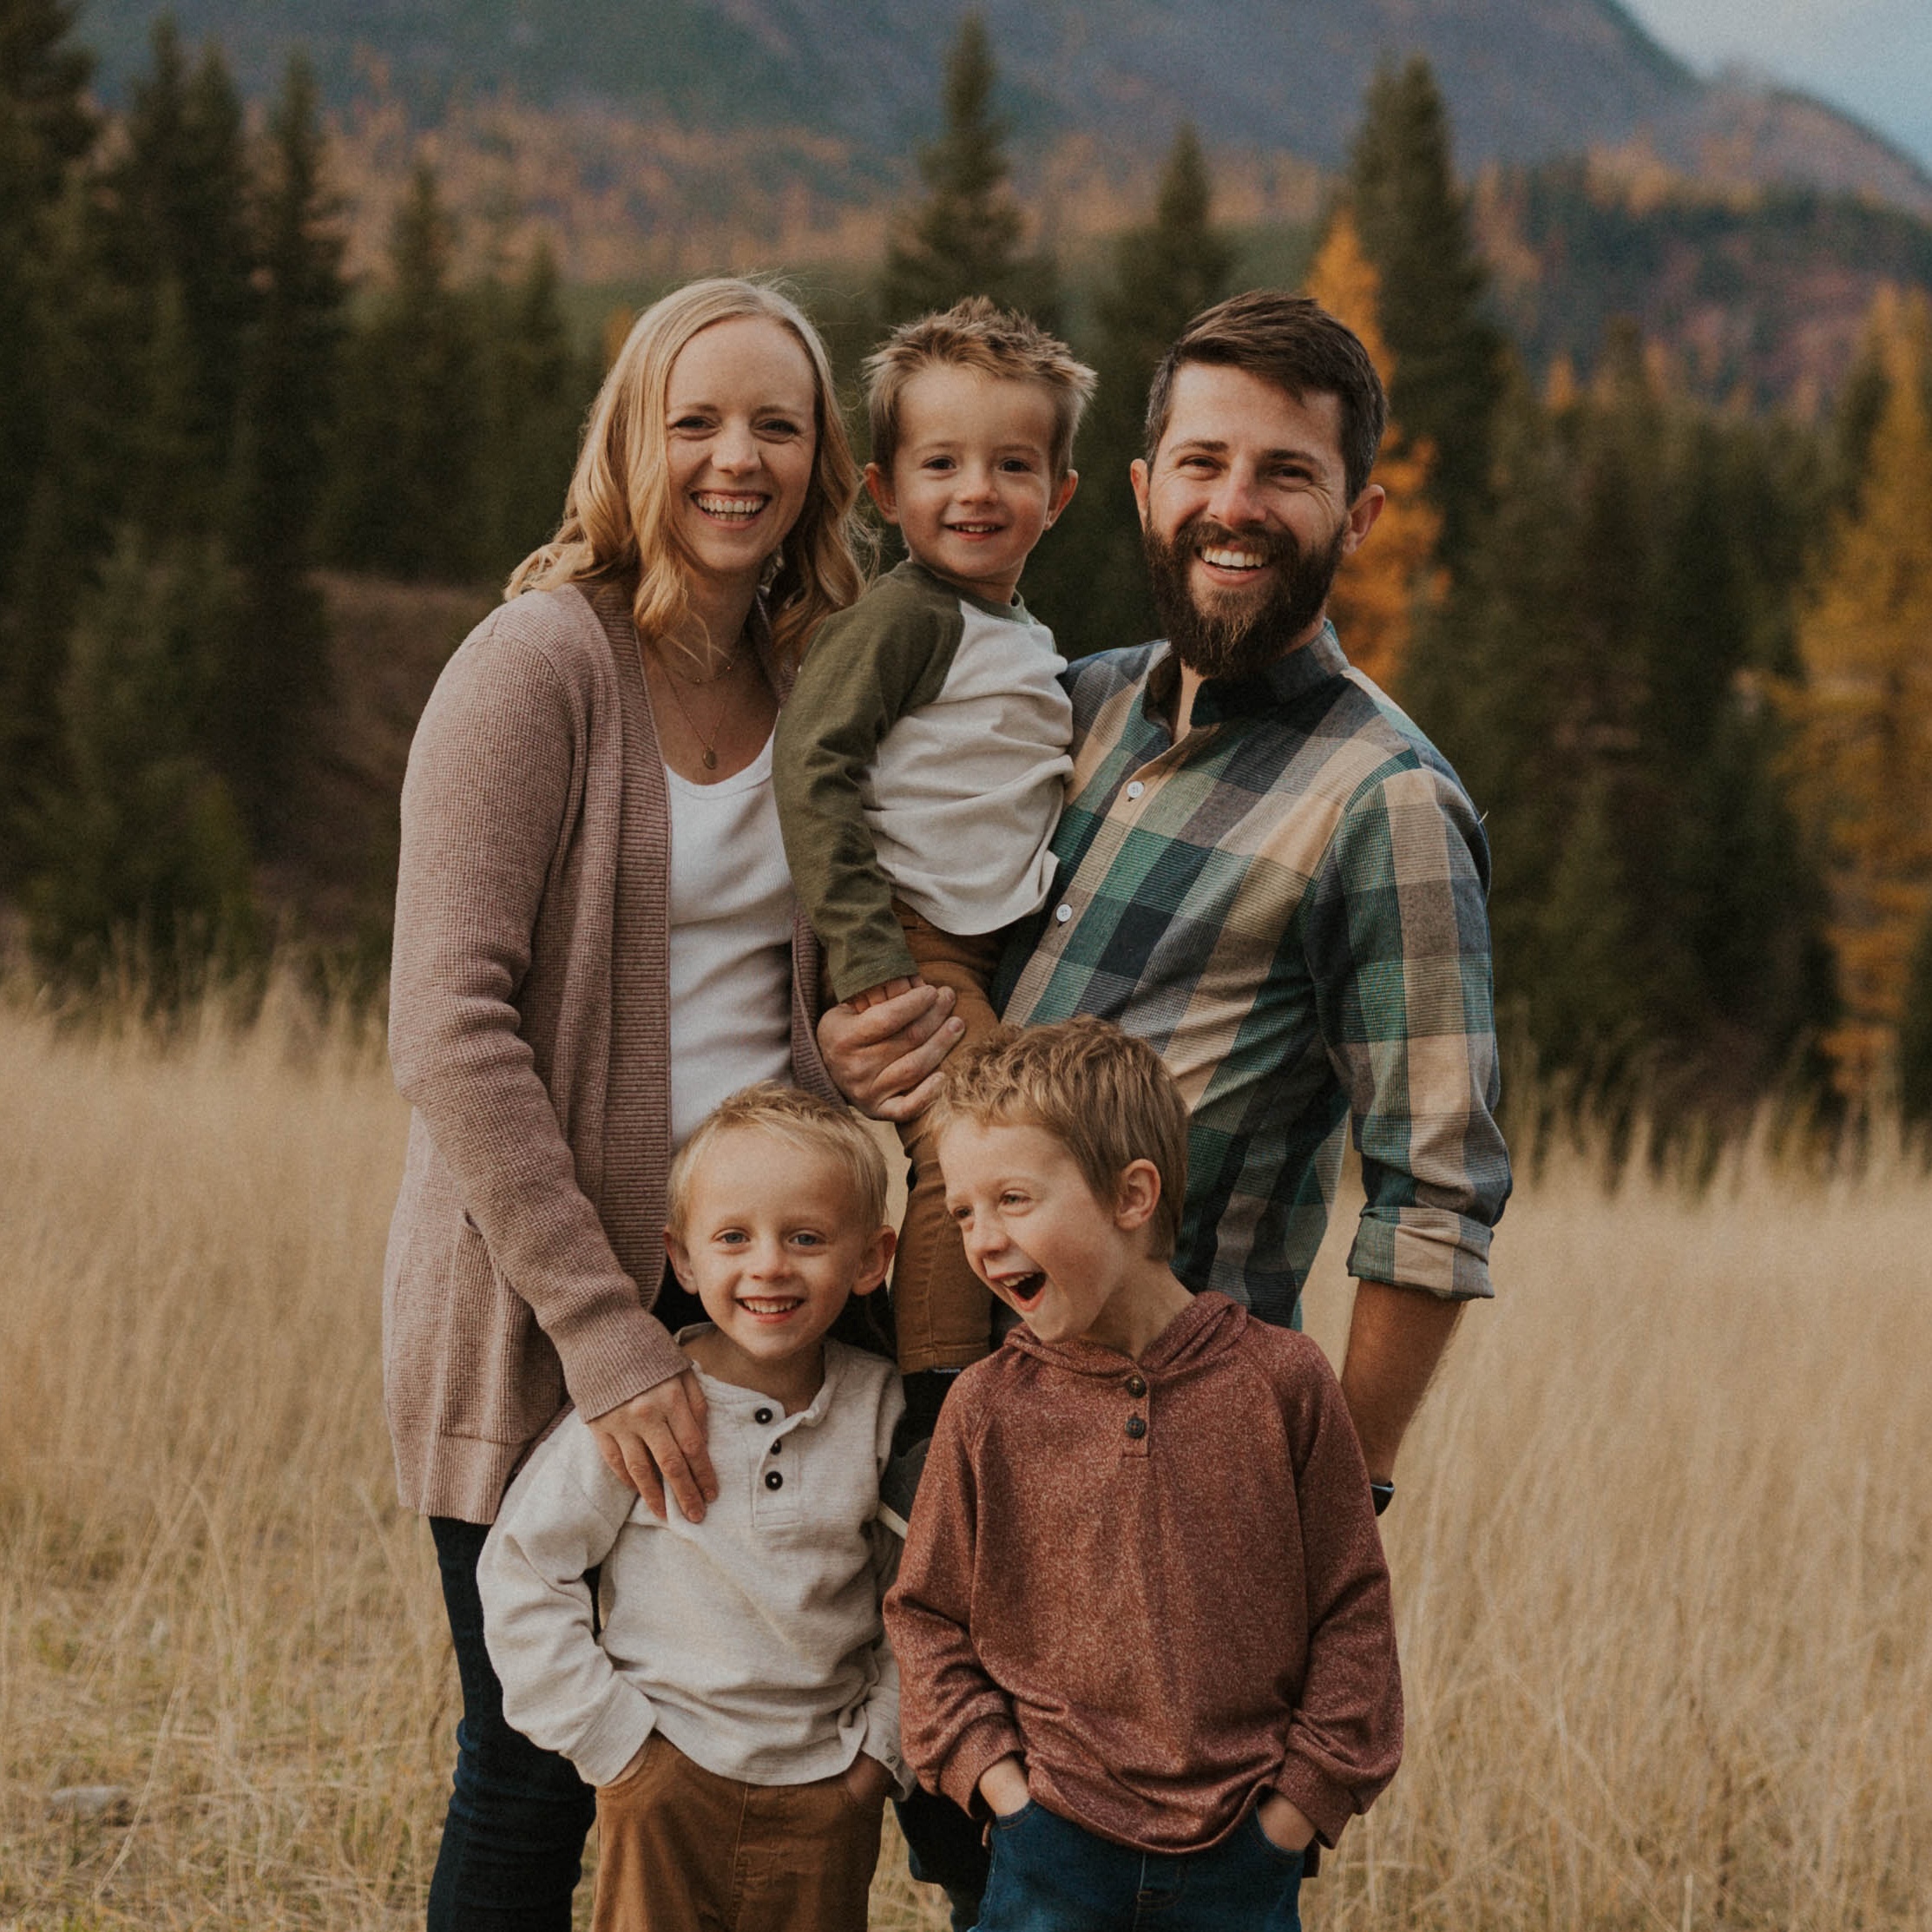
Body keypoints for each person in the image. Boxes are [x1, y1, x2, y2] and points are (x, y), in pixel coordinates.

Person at [822, 292, 1510, 1922]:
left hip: (1152, 1506)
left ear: (1361, 510)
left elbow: (1437, 1195)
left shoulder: (1385, 804)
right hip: (956, 1423)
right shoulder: (1077, 704)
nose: (1235, 503)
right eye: (1200, 460)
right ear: (1136, 488)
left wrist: (1322, 1493)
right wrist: (860, 1040)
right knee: (956, 1857)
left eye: (1286, 470)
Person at [383, 276, 867, 1930]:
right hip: (550, 1300)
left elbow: (812, 998)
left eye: (778, 426)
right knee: (534, 1756)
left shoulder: (820, 688)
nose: (739, 459)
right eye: (698, 420)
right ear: (630, 442)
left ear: (823, 461)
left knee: (755, 1751)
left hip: (760, 1284)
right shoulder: (538, 664)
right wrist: (604, 1327)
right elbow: (446, 1023)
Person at [886, 1017, 1403, 1932]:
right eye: (964, 1212)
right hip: (1050, 1855)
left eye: (1012, 1198)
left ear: (1132, 1196)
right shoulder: (987, 1406)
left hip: (1243, 1860)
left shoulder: (1282, 1383)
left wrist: (1295, 1813)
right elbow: (925, 1620)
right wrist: (1005, 1793)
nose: (982, 1238)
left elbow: (1352, 1614)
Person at [478, 1085, 910, 1932]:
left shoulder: (882, 1415)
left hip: (827, 1790)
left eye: (807, 1237)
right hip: (666, 1779)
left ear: (872, 1258)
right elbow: (525, 1571)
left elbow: (922, 1599)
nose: (770, 1266)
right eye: (734, 1238)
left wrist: (876, 1759)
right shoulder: (650, 1410)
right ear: (683, 1260)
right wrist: (621, 1750)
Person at [773, 297, 1094, 1423]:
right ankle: (937, 1416)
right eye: (941, 463)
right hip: (908, 942)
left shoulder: (1019, 633)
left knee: (1029, 1154)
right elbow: (813, 765)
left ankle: (945, 1362)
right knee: (983, 1151)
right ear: (882, 489)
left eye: (1012, 464)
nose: (976, 491)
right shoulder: (906, 617)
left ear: (1056, 497)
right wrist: (868, 963)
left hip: (981, 950)